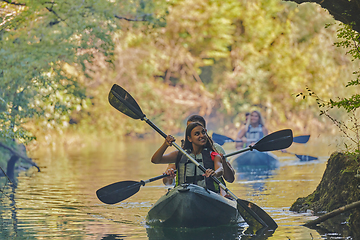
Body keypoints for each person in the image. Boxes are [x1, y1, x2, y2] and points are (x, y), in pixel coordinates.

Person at [151, 122, 225, 194]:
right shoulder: (180, 154)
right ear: (189, 139)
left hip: (206, 194)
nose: (202, 135)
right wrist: (165, 144)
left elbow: (220, 170)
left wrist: (214, 173)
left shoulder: (214, 155)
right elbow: (155, 160)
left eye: (203, 132)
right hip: (183, 193)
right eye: (197, 134)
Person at [162, 115, 235, 185]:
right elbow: (167, 183)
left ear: (205, 131)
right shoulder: (181, 152)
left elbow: (230, 179)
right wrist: (169, 177)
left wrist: (223, 162)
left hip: (211, 192)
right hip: (185, 191)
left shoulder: (216, 149)